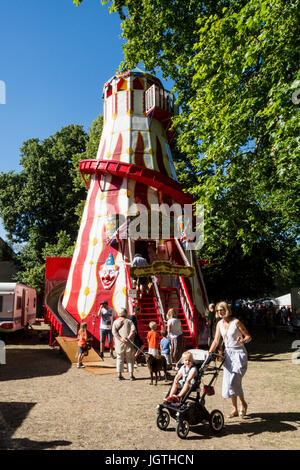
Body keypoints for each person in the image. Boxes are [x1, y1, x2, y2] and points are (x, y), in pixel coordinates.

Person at [208, 301, 252, 418]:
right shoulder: (219, 324)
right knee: (229, 381)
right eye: (217, 310)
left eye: (221, 309)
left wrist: (243, 340)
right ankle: (235, 409)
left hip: (239, 354)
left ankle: (243, 404)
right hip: (227, 355)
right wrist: (209, 352)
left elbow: (248, 336)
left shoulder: (236, 322)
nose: (219, 312)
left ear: (226, 309)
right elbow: (216, 340)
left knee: (234, 381)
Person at [112, 308, 136, 381]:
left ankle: (119, 375)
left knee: (119, 358)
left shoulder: (115, 322)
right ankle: (131, 375)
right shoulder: (129, 321)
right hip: (128, 343)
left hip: (119, 343)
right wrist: (128, 337)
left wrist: (120, 338)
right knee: (130, 359)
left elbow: (114, 332)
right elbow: (133, 330)